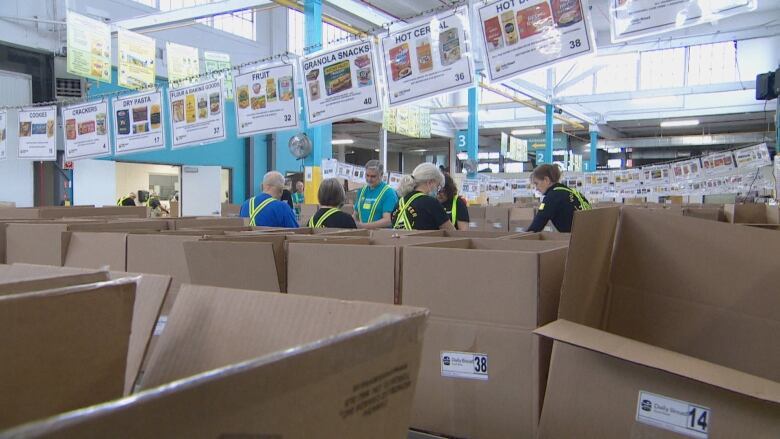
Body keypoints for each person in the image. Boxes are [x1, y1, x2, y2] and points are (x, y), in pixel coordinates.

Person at [527, 164, 591, 233]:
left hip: (575, 240)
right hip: (590, 236)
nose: (536, 188)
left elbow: (536, 226)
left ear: (546, 180)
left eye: (536, 183)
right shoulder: (572, 192)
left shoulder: (552, 196)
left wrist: (520, 240)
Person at [392, 163, 455, 231]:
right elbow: (451, 232)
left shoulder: (399, 203)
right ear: (430, 182)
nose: (437, 191)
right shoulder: (431, 203)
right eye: (438, 186)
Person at [354, 160, 398, 229]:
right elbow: (355, 215)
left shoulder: (388, 193)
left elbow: (388, 221)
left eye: (373, 176)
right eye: (367, 175)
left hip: (381, 236)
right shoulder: (362, 191)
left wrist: (363, 226)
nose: (369, 179)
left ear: (381, 175)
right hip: (363, 235)